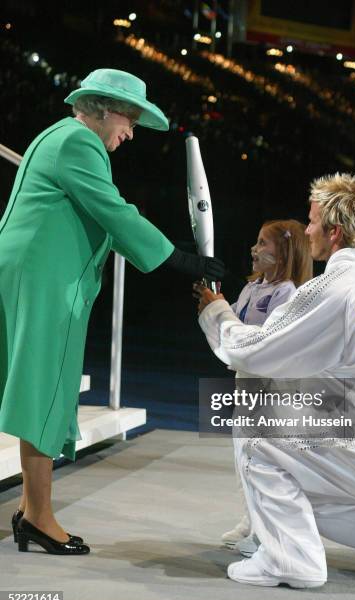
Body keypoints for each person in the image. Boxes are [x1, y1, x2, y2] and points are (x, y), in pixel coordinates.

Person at [0, 68, 224, 555]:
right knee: (45, 389)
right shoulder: (80, 144)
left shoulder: (54, 135)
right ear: (102, 109)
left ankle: (31, 510)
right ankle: (37, 515)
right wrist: (183, 261)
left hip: (26, 271)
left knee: (37, 387)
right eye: (129, 119)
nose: (131, 131)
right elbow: (115, 212)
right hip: (44, 279)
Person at [196, 172, 355, 588]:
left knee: (257, 432)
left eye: (311, 222)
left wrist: (216, 311)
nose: (306, 230)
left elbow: (255, 353)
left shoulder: (335, 287)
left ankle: (291, 560)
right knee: (294, 487)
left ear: (334, 231)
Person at [214, 220, 312, 553]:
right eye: (255, 242)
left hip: (269, 389)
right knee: (242, 454)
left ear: (283, 252)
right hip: (245, 382)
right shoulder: (251, 287)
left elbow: (266, 339)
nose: (254, 250)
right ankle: (250, 518)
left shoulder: (287, 293)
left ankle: (266, 530)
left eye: (263, 244)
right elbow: (237, 328)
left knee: (261, 456)